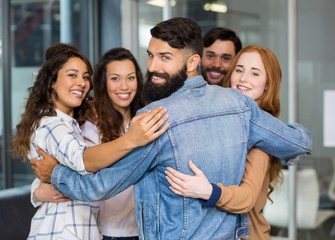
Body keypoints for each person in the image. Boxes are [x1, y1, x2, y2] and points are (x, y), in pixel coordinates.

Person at [30, 17, 312, 240]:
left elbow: (98, 187)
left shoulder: (155, 117)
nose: (152, 67)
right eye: (151, 55)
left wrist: (54, 173)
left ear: (192, 62)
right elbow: (299, 142)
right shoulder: (239, 104)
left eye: (165, 57)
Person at [11, 43, 169, 240]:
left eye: (130, 78)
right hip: (99, 230)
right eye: (114, 79)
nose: (124, 86)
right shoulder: (84, 124)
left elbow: (64, 163)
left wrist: (52, 177)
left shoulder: (148, 119)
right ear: (103, 83)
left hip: (138, 229)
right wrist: (39, 187)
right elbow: (78, 160)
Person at [165, 45, 284, 240]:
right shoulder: (224, 120)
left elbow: (247, 198)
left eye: (255, 74)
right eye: (239, 70)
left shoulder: (260, 133)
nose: (243, 78)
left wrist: (208, 191)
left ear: (268, 85)